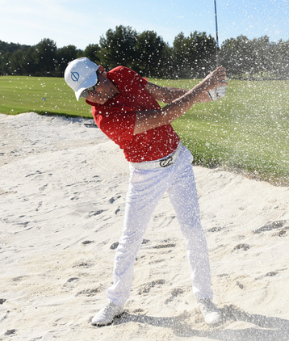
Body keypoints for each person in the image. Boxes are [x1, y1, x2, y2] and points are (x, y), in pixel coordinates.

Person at [63, 57, 227, 326]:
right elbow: (164, 116)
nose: (93, 95)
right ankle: (115, 301)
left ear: (102, 72)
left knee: (193, 230)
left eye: (94, 86)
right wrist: (202, 86)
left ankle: (205, 298)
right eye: (86, 93)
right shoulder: (105, 118)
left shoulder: (123, 74)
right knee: (131, 237)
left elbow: (165, 95)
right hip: (146, 174)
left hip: (178, 161)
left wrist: (206, 95)